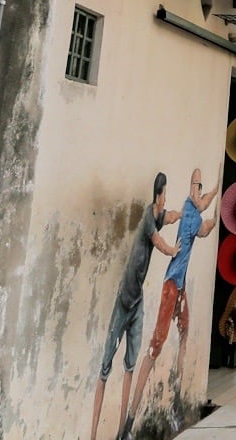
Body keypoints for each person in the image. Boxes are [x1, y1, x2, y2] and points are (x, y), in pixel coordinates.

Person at [124, 168, 216, 439]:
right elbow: (205, 226)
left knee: (184, 332)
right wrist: (214, 197)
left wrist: (214, 194)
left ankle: (176, 397)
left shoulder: (189, 212)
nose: (198, 192)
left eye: (199, 187)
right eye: (196, 186)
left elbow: (201, 218)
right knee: (155, 348)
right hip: (171, 286)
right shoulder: (192, 213)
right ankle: (130, 420)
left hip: (180, 286)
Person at [91, 173, 179, 440]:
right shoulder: (146, 217)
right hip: (124, 300)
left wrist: (184, 213)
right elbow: (158, 242)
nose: (166, 199)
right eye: (165, 194)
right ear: (158, 195)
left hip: (137, 299)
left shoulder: (158, 215)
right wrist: (172, 251)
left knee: (129, 365)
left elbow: (170, 216)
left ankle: (121, 432)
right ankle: (93, 434)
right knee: (106, 366)